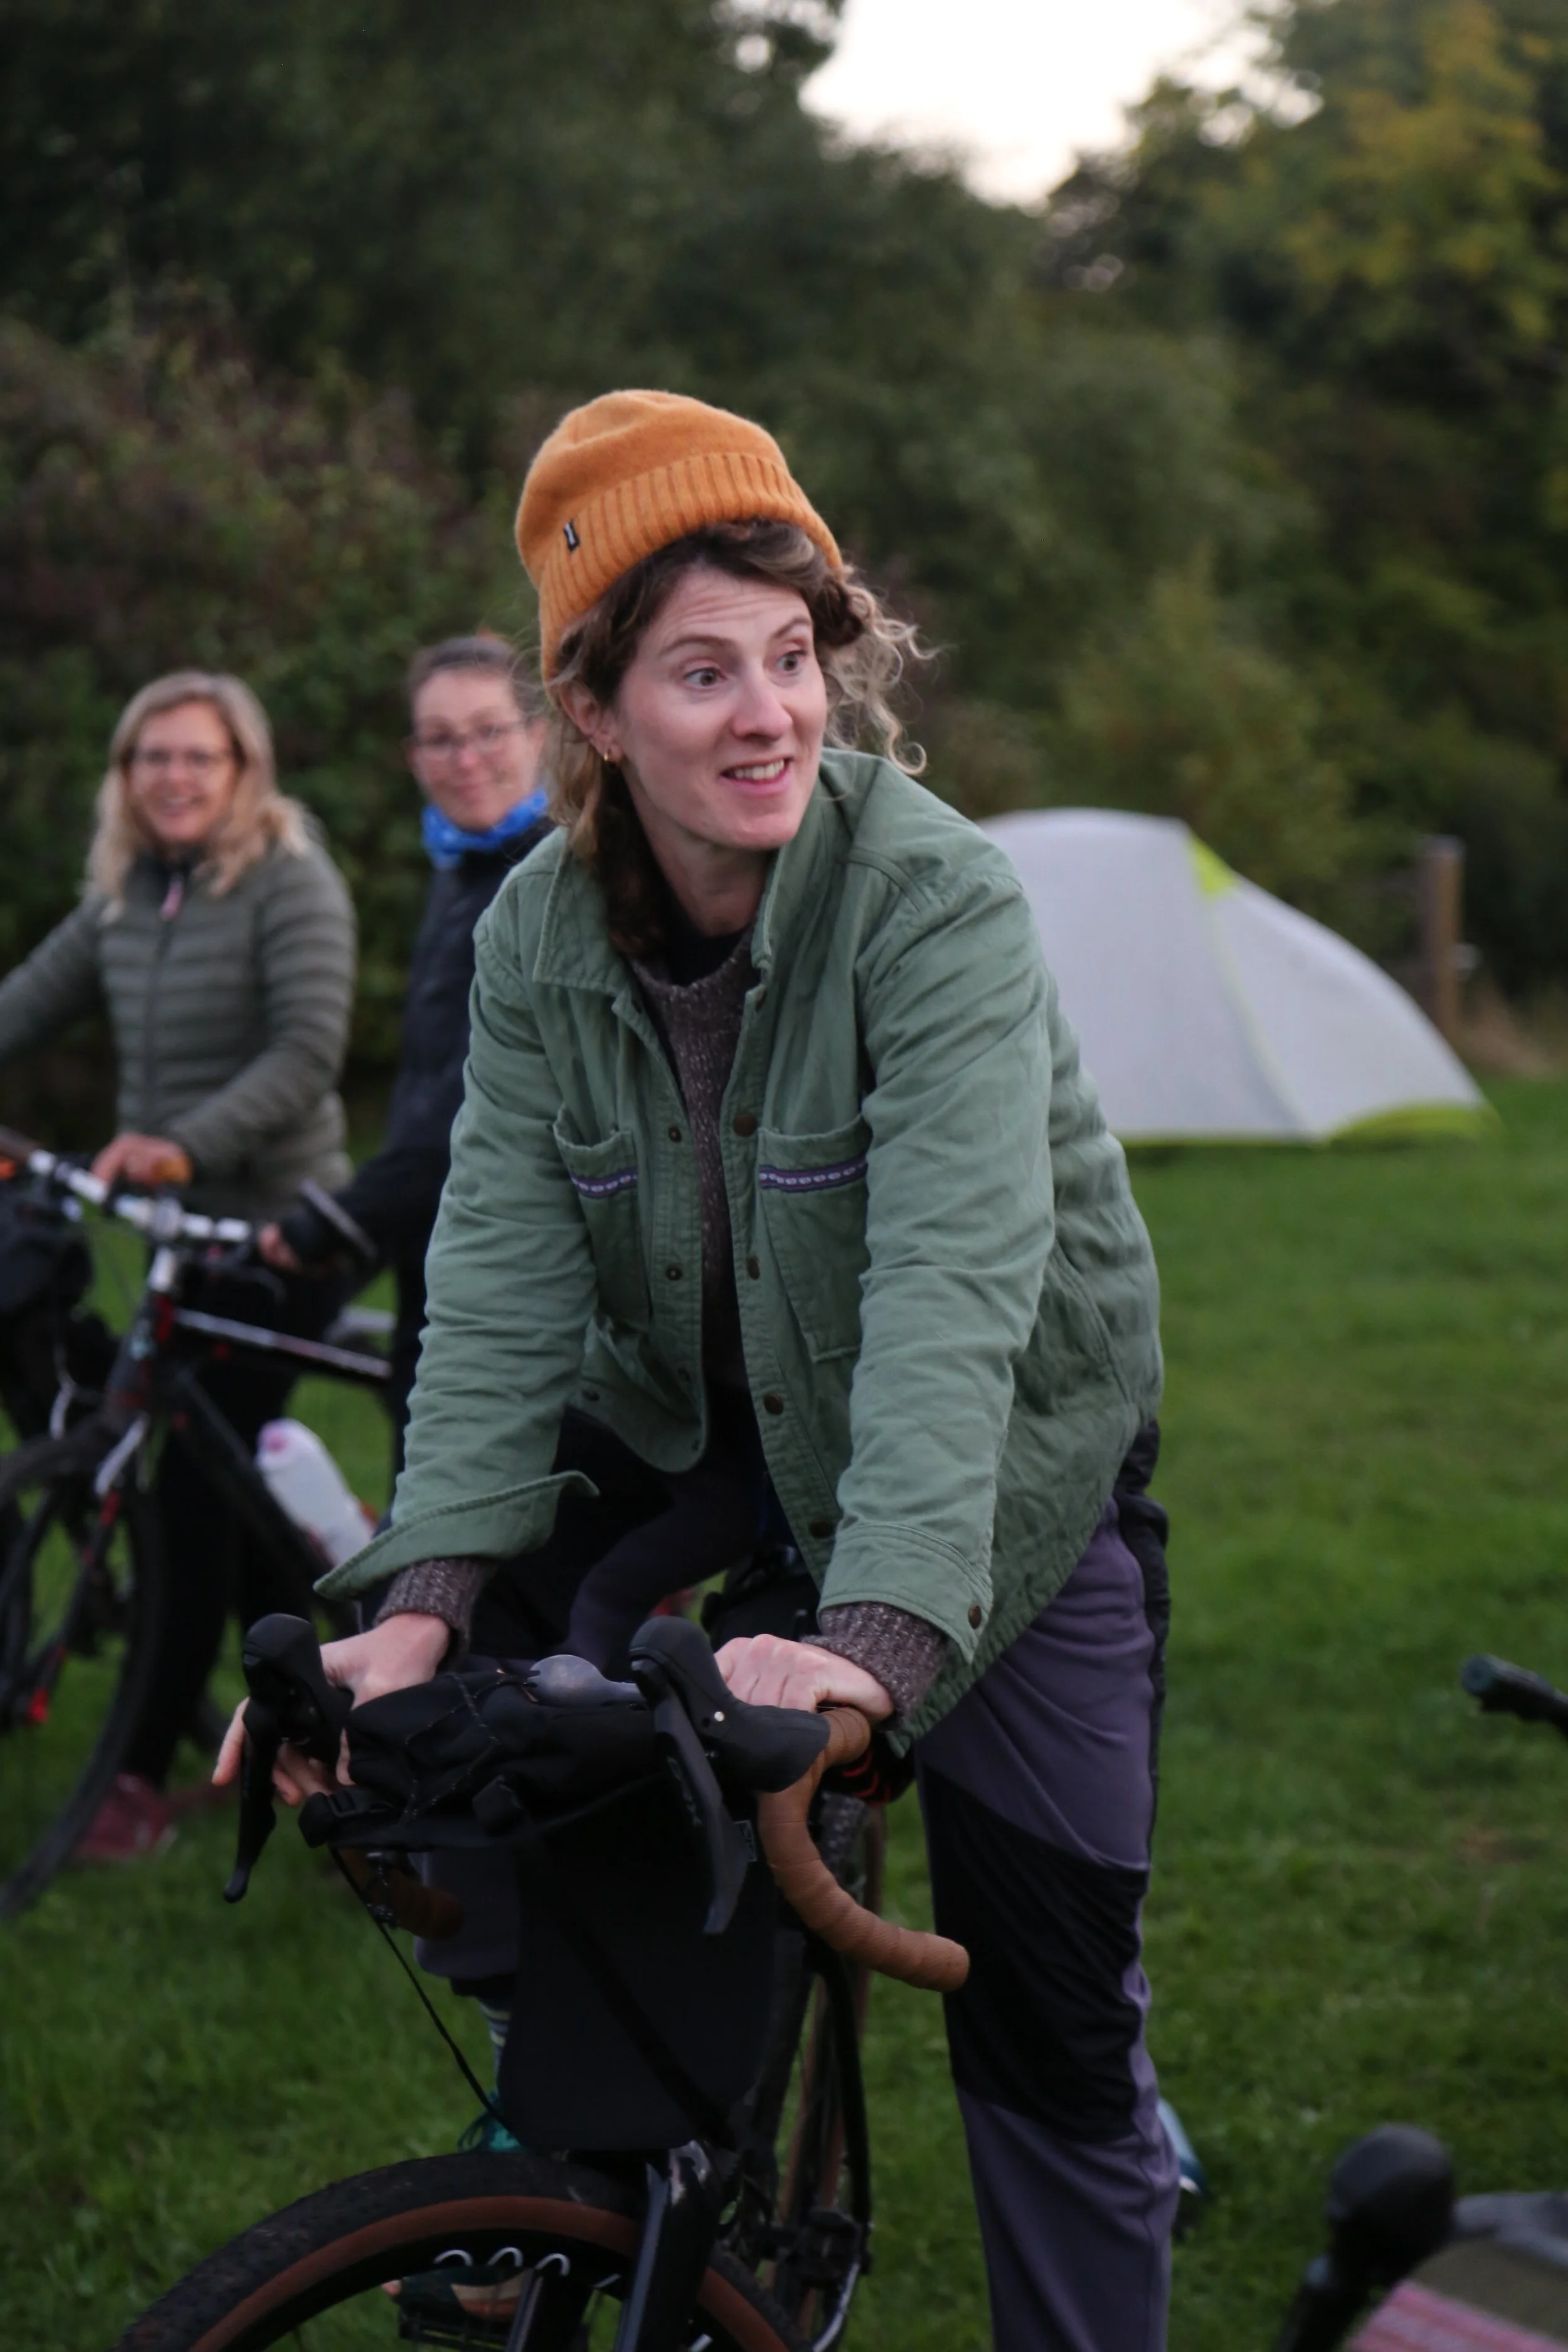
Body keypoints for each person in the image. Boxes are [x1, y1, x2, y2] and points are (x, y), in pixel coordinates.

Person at [222, 392, 1180, 2348]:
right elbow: (496, 1291)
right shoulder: (535, 937)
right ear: (590, 710)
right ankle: (623, 2191)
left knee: (1047, 2015)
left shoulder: (935, 901)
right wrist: (417, 1602)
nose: (770, 714)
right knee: (559, 1807)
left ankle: (1104, 2173)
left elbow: (953, 1295)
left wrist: (873, 1642)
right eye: (701, 671)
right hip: (725, 1433)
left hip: (1004, 1461)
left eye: (792, 654)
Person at [0, 670, 356, 1859]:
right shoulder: (124, 892)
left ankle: (137, 1777)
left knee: (191, 1495)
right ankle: (309, 1724)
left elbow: (306, 1053)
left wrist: (183, 1145)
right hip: (171, 1240)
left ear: (244, 769)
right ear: (126, 774)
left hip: (281, 1230)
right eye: (152, 756)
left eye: (201, 755)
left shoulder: (289, 880)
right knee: (230, 1502)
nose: (175, 776)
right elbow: (24, 1004)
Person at [258, 637, 550, 1459]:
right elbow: (423, 1088)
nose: (467, 760)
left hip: (513, 1273)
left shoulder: (545, 877)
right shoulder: (462, 867)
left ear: (538, 734)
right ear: (414, 757)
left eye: (489, 731)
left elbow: (474, 1099)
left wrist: (341, 1221)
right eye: (441, 739)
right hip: (437, 1246)